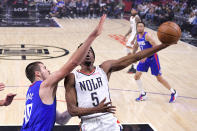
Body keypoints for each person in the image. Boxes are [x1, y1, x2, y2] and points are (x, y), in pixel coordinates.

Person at [64, 27, 176, 131]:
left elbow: (135, 56)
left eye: (89, 50)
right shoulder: (72, 77)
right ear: (77, 57)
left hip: (109, 121)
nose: (87, 53)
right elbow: (72, 110)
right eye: (83, 52)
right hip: (89, 123)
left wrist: (164, 45)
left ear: (94, 55)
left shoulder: (104, 68)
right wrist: (97, 109)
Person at [21, 14, 107, 131]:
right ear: (38, 74)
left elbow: (61, 119)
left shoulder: (31, 91)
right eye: (45, 68)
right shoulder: (44, 86)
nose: (49, 70)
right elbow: (73, 63)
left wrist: (78, 107)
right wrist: (93, 36)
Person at [132, 22, 178, 103]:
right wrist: (133, 56)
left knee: (159, 78)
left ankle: (173, 92)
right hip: (144, 58)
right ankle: (143, 94)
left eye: (141, 26)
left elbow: (156, 47)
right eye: (138, 26)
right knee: (136, 76)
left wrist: (146, 56)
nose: (139, 28)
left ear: (144, 27)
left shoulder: (147, 36)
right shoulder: (137, 37)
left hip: (153, 58)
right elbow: (136, 46)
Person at [124, 8, 141, 73]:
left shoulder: (137, 18)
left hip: (137, 36)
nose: (132, 11)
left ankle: (134, 68)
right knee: (127, 49)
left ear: (136, 11)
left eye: (133, 10)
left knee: (134, 52)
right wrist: (126, 34)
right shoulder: (131, 17)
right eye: (131, 10)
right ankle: (132, 63)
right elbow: (131, 28)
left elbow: (140, 28)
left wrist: (135, 39)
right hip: (132, 35)